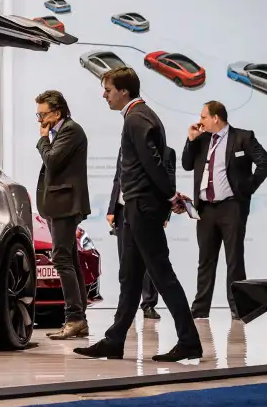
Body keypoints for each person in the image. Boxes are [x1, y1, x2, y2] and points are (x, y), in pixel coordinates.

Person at [74, 67, 202, 361]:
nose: (104, 96)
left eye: (107, 90)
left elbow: (153, 163)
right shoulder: (139, 116)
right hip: (135, 209)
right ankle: (115, 339)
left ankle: (189, 340)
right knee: (130, 278)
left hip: (143, 208)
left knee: (161, 274)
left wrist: (170, 196)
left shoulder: (136, 117)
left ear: (124, 91)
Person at [179, 101, 267, 319]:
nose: (199, 121)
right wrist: (190, 140)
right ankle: (200, 309)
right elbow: (186, 164)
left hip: (232, 207)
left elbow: (265, 162)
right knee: (205, 260)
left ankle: (239, 309)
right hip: (205, 209)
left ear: (215, 118)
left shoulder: (243, 137)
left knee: (234, 260)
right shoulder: (201, 139)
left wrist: (247, 188)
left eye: (203, 117)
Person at [34, 90, 91, 340]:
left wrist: (43, 139)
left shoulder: (70, 130)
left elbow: (53, 162)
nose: (39, 120)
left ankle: (74, 318)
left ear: (57, 113)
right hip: (59, 204)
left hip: (65, 205)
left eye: (42, 114)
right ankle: (79, 319)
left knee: (62, 259)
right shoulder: (64, 130)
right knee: (70, 259)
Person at [107, 154, 162, 320]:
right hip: (122, 210)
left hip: (144, 210)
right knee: (125, 261)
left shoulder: (152, 147)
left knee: (147, 259)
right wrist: (111, 209)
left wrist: (164, 214)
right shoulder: (123, 148)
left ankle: (148, 304)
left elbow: (162, 180)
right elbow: (118, 179)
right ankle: (125, 305)